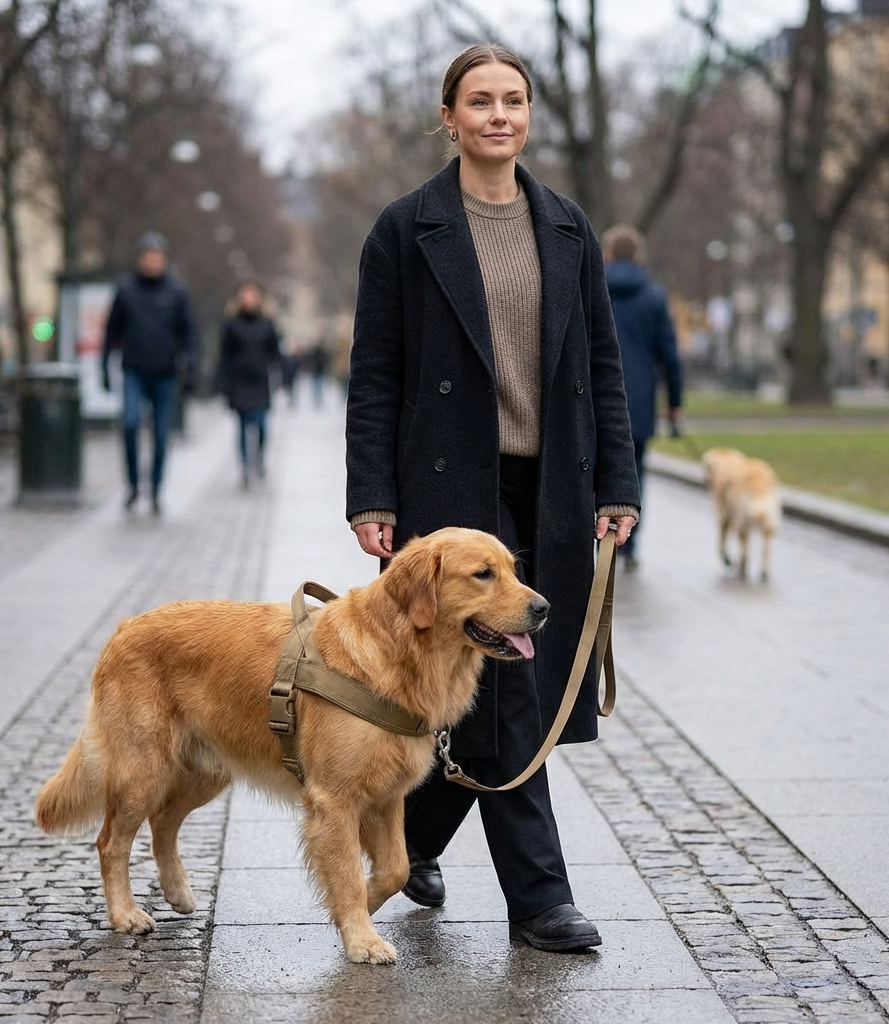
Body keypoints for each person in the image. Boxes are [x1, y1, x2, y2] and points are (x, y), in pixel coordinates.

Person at [345, 44, 640, 954]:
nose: (499, 116)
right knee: (506, 687)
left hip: (549, 481)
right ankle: (542, 900)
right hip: (447, 489)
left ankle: (417, 838)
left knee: (505, 685)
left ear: (528, 115)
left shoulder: (567, 228)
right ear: (450, 117)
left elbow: (601, 363)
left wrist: (617, 484)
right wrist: (373, 495)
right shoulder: (407, 228)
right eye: (480, 101)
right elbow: (377, 375)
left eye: (513, 100)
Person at [603, 225, 683, 569]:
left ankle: (600, 544)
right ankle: (630, 544)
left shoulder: (593, 289)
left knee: (593, 471)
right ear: (638, 257)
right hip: (637, 399)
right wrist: (675, 402)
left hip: (595, 399)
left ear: (607, 254)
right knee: (634, 473)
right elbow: (669, 354)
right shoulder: (653, 296)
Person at [102, 232, 197, 514]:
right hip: (133, 369)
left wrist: (190, 366)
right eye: (148, 257)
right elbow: (111, 331)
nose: (153, 262)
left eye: (157, 257)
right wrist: (104, 366)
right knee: (130, 424)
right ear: (141, 259)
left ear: (164, 260)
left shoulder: (176, 292)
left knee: (160, 434)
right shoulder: (126, 289)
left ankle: (155, 488)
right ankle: (133, 485)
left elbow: (188, 334)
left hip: (165, 373)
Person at [217, 280, 281, 487]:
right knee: (243, 427)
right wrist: (223, 383)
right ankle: (245, 466)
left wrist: (280, 377)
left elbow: (274, 352)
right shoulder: (232, 324)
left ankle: (259, 459)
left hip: (260, 383)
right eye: (245, 294)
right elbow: (224, 355)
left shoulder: (267, 323)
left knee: (261, 426)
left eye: (252, 294)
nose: (248, 298)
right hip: (239, 383)